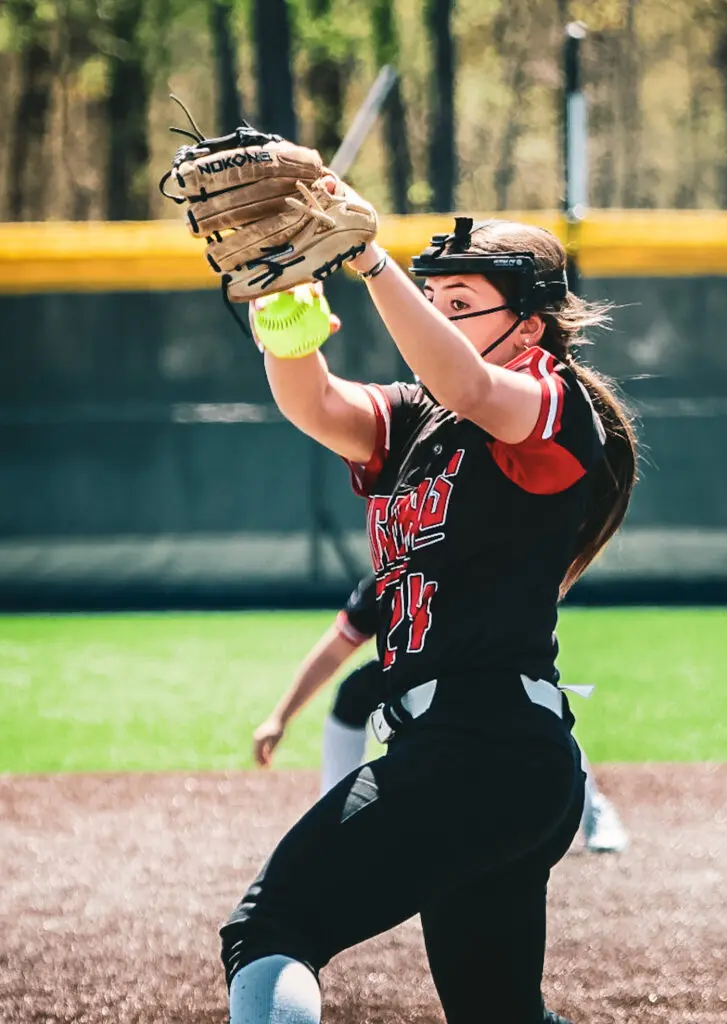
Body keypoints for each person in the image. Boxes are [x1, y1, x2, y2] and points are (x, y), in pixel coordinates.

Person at [220, 201, 638, 1024]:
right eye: (433, 299)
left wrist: (373, 263)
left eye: (461, 303)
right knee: (498, 1015)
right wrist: (281, 301)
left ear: (530, 326)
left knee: (272, 927)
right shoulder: (420, 417)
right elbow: (315, 405)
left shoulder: (553, 400)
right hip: (475, 755)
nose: (437, 317)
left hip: (484, 745)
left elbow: (470, 384)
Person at [252, 572, 629, 854]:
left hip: (482, 679)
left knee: (536, 696)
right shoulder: (391, 581)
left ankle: (593, 809)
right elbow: (335, 651)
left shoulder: (483, 572)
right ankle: (333, 821)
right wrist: (279, 717)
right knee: (356, 691)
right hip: (417, 684)